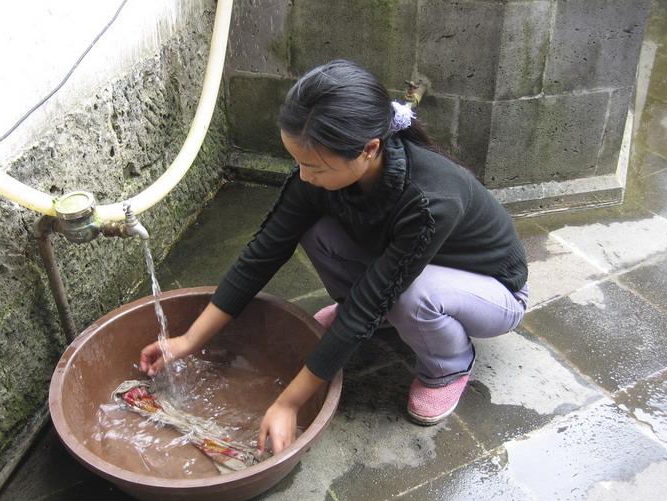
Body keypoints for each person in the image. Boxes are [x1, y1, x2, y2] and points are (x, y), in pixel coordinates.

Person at [140, 59, 528, 455]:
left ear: (369, 149)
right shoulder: (323, 171)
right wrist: (188, 339)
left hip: (493, 292)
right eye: (298, 162)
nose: (304, 176)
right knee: (315, 229)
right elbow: (263, 252)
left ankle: (449, 367)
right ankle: (389, 323)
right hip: (415, 269)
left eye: (314, 166)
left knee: (412, 296)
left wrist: (288, 402)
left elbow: (370, 303)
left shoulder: (430, 201)